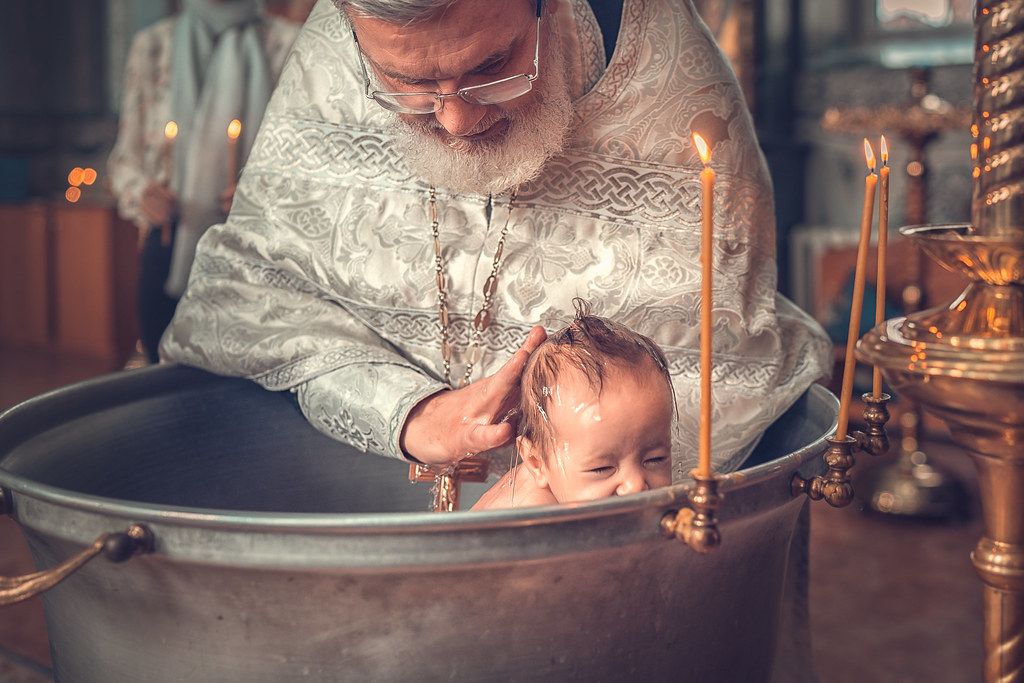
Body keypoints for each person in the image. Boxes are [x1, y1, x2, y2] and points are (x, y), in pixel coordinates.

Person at [159, 0, 831, 481]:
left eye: (493, 66)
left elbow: (721, 367)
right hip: (354, 511)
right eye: (411, 84)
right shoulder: (333, 49)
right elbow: (242, 296)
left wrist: (543, 481)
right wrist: (410, 412)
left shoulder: (668, 72)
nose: (456, 120)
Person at [107, 0, 300, 363]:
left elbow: (306, 159)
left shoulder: (287, 43)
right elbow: (123, 162)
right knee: (161, 378)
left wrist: (264, 190)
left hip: (258, 250)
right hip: (170, 240)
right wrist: (143, 192)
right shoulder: (153, 46)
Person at [472, 301, 674, 510]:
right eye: (602, 469)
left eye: (655, 459)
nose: (635, 485)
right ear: (536, 462)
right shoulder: (534, 522)